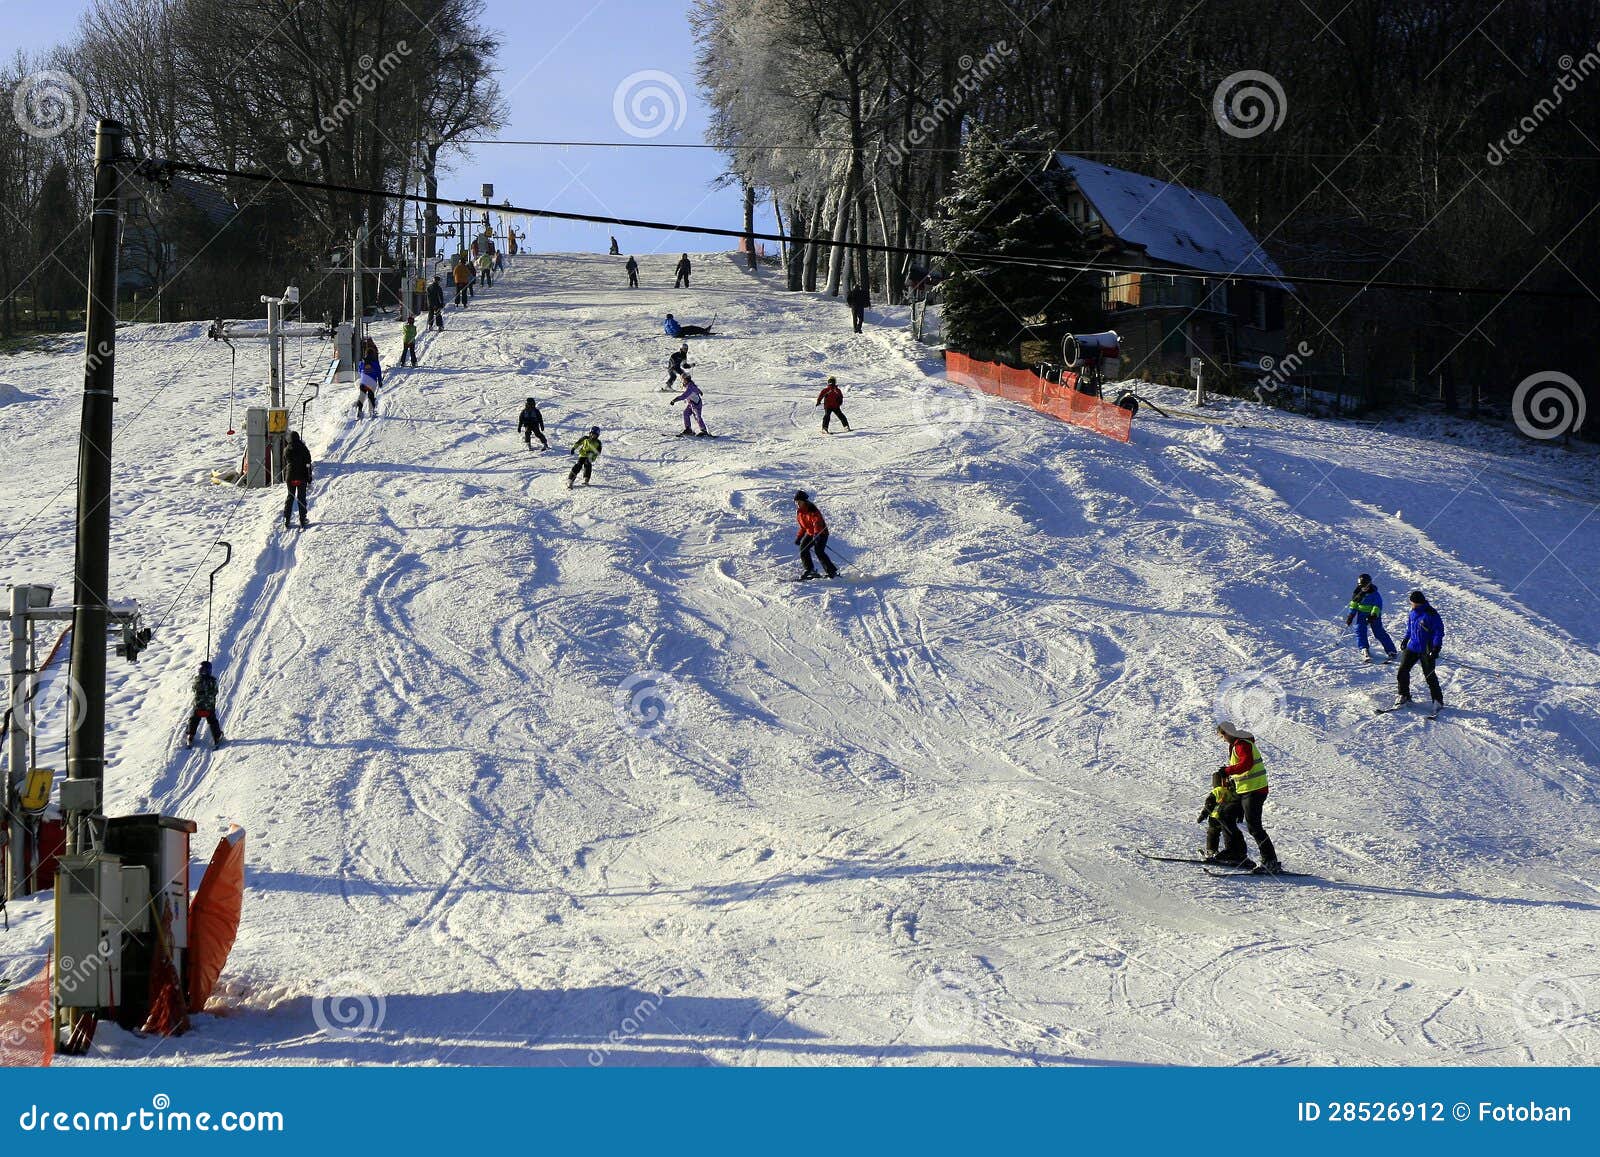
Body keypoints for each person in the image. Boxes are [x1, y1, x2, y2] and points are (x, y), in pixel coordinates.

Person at [1198, 722, 1280, 871]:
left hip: (1255, 791)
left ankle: (1270, 862)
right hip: (1243, 791)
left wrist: (1228, 771)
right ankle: (1236, 854)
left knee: (1254, 827)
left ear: (1227, 733)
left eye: (1222, 735)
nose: (1222, 739)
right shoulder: (1237, 745)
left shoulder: (1242, 744)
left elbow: (1246, 764)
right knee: (1224, 814)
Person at [1395, 590, 1446, 709]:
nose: (1411, 604)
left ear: (1417, 603)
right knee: (1402, 671)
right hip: (1412, 647)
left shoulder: (1431, 614)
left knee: (1429, 675)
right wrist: (1405, 639)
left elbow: (1439, 632)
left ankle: (1437, 701)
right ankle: (1404, 695)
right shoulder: (1412, 612)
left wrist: (1436, 647)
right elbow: (1410, 628)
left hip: (1426, 649)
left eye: (1411, 602)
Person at [1345, 573, 1397, 663]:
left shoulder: (1375, 594)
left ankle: (1391, 650)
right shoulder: (1357, 593)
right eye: (1362, 586)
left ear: (1370, 584)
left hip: (1374, 615)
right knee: (1360, 629)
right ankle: (1364, 648)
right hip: (1362, 614)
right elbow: (1354, 605)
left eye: (1366, 586)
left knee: (1378, 632)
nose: (1364, 588)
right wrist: (1351, 615)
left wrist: (1373, 615)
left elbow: (1377, 606)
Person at [793, 490, 838, 580]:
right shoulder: (799, 512)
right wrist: (799, 537)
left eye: (799, 502)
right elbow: (803, 527)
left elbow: (817, 522)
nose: (798, 504)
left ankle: (831, 571)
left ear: (804, 501)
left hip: (821, 533)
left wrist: (817, 534)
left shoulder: (812, 510)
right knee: (803, 550)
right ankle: (810, 570)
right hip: (810, 533)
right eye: (796, 502)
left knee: (819, 551)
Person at [185, 660, 225, 749]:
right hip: (209, 708)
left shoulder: (197, 680)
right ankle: (217, 736)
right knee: (212, 721)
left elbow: (193, 689)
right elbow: (215, 691)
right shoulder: (213, 681)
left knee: (194, 720)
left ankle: (190, 735)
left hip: (198, 707)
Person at [283, 429, 312, 528]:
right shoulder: (304, 448)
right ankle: (303, 519)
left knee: (290, 497)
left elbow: (285, 462)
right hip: (302, 476)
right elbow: (308, 463)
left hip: (290, 477)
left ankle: (286, 520)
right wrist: (309, 477)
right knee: (301, 497)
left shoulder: (286, 449)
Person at [355, 348, 381, 418]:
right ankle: (371, 411)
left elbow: (359, 371)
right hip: (372, 383)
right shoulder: (375, 362)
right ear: (373, 354)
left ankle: (359, 411)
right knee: (371, 396)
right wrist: (380, 381)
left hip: (363, 382)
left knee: (362, 396)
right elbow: (379, 372)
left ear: (366, 354)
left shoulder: (362, 362)